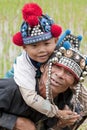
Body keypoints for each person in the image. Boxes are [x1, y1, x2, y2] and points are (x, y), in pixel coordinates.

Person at [0, 38, 87, 130]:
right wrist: (15, 122)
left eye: (69, 73)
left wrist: (60, 124)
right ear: (43, 67)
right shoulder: (12, 89)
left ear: (73, 83)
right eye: (56, 66)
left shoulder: (65, 103)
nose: (60, 75)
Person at [4, 2, 62, 118]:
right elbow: (31, 98)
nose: (41, 50)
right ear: (24, 47)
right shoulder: (23, 65)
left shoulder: (60, 53)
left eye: (46, 43)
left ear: (56, 40)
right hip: (17, 101)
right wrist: (57, 113)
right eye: (34, 46)